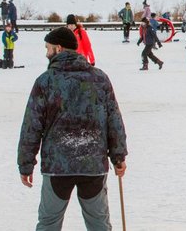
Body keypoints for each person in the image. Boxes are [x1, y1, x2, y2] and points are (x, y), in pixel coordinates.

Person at [18, 26, 127, 230]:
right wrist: (118, 155)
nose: (46, 53)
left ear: (58, 48)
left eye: (48, 48)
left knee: (49, 223)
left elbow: (31, 125)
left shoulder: (45, 81)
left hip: (57, 166)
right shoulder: (100, 78)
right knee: (99, 224)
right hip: (92, 164)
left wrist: (25, 163)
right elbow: (114, 120)